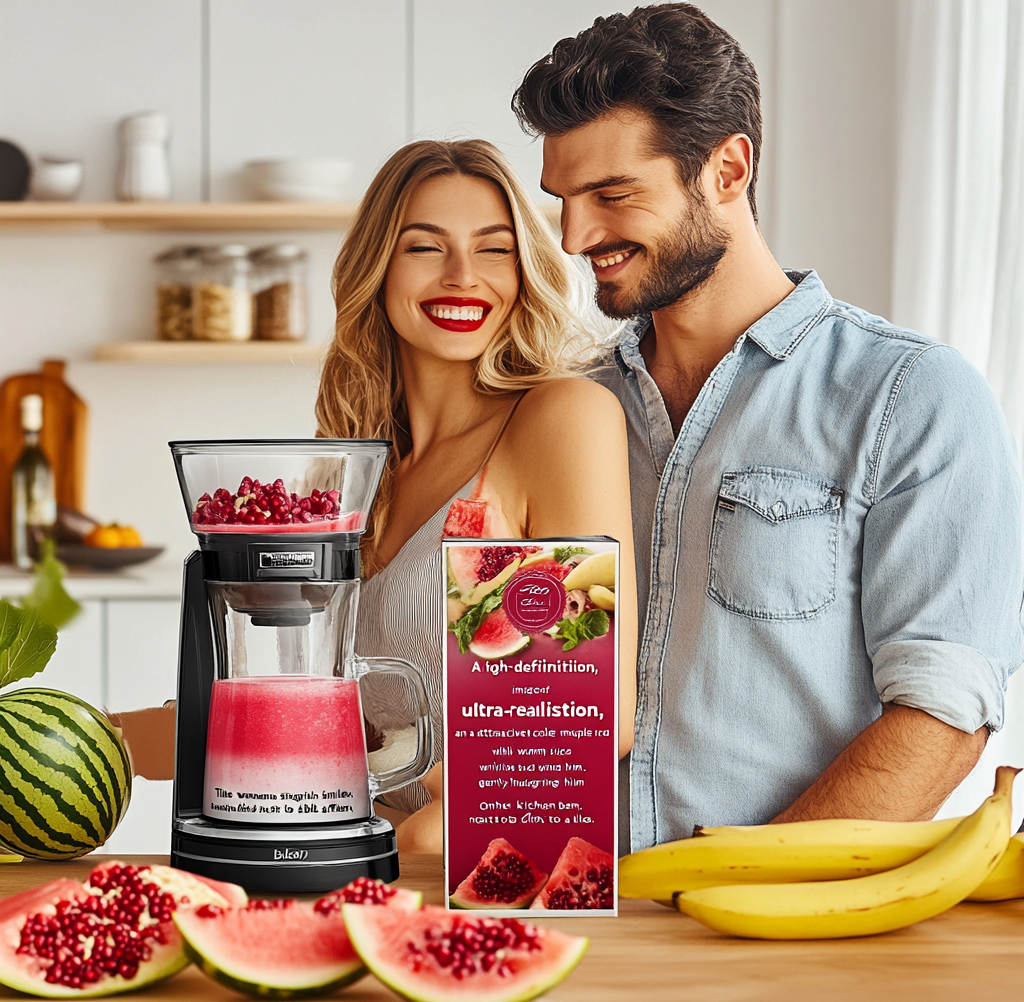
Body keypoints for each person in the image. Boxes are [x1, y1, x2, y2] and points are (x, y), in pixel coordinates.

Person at [512, 3, 1024, 852]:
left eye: (611, 194)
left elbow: (939, 719)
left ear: (727, 169)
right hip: (573, 915)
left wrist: (725, 892)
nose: (575, 236)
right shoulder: (564, 411)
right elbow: (535, 701)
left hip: (781, 933)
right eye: (563, 200)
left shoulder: (912, 397)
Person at [315, 139, 637, 851]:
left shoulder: (560, 417)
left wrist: (412, 846)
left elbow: (588, 725)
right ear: (377, 267)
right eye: (425, 248)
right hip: (354, 855)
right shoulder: (351, 473)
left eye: (494, 250)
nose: (463, 277)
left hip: (496, 870)